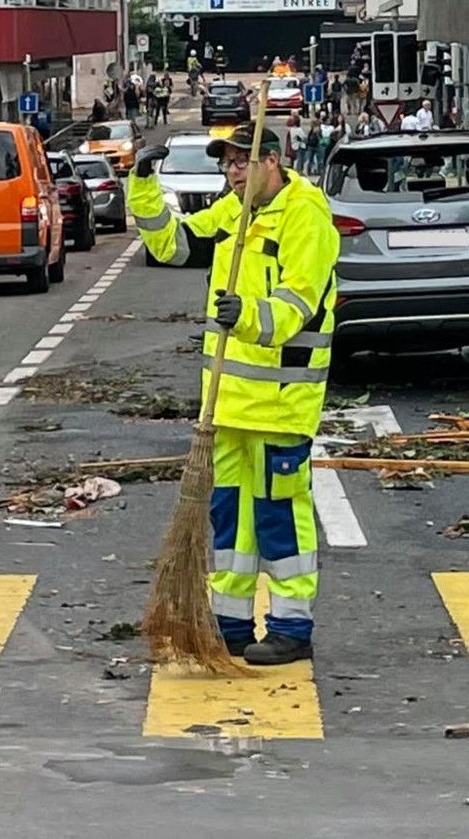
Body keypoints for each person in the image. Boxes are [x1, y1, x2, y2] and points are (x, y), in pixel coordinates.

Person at [126, 127, 340, 665]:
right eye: (227, 166)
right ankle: (231, 624)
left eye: (243, 163)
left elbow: (298, 303)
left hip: (281, 402)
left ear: (273, 161)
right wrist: (143, 184)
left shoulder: (305, 215)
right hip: (226, 405)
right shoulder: (234, 213)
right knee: (230, 520)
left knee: (279, 513)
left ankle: (292, 628)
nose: (233, 173)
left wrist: (244, 316)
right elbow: (173, 245)